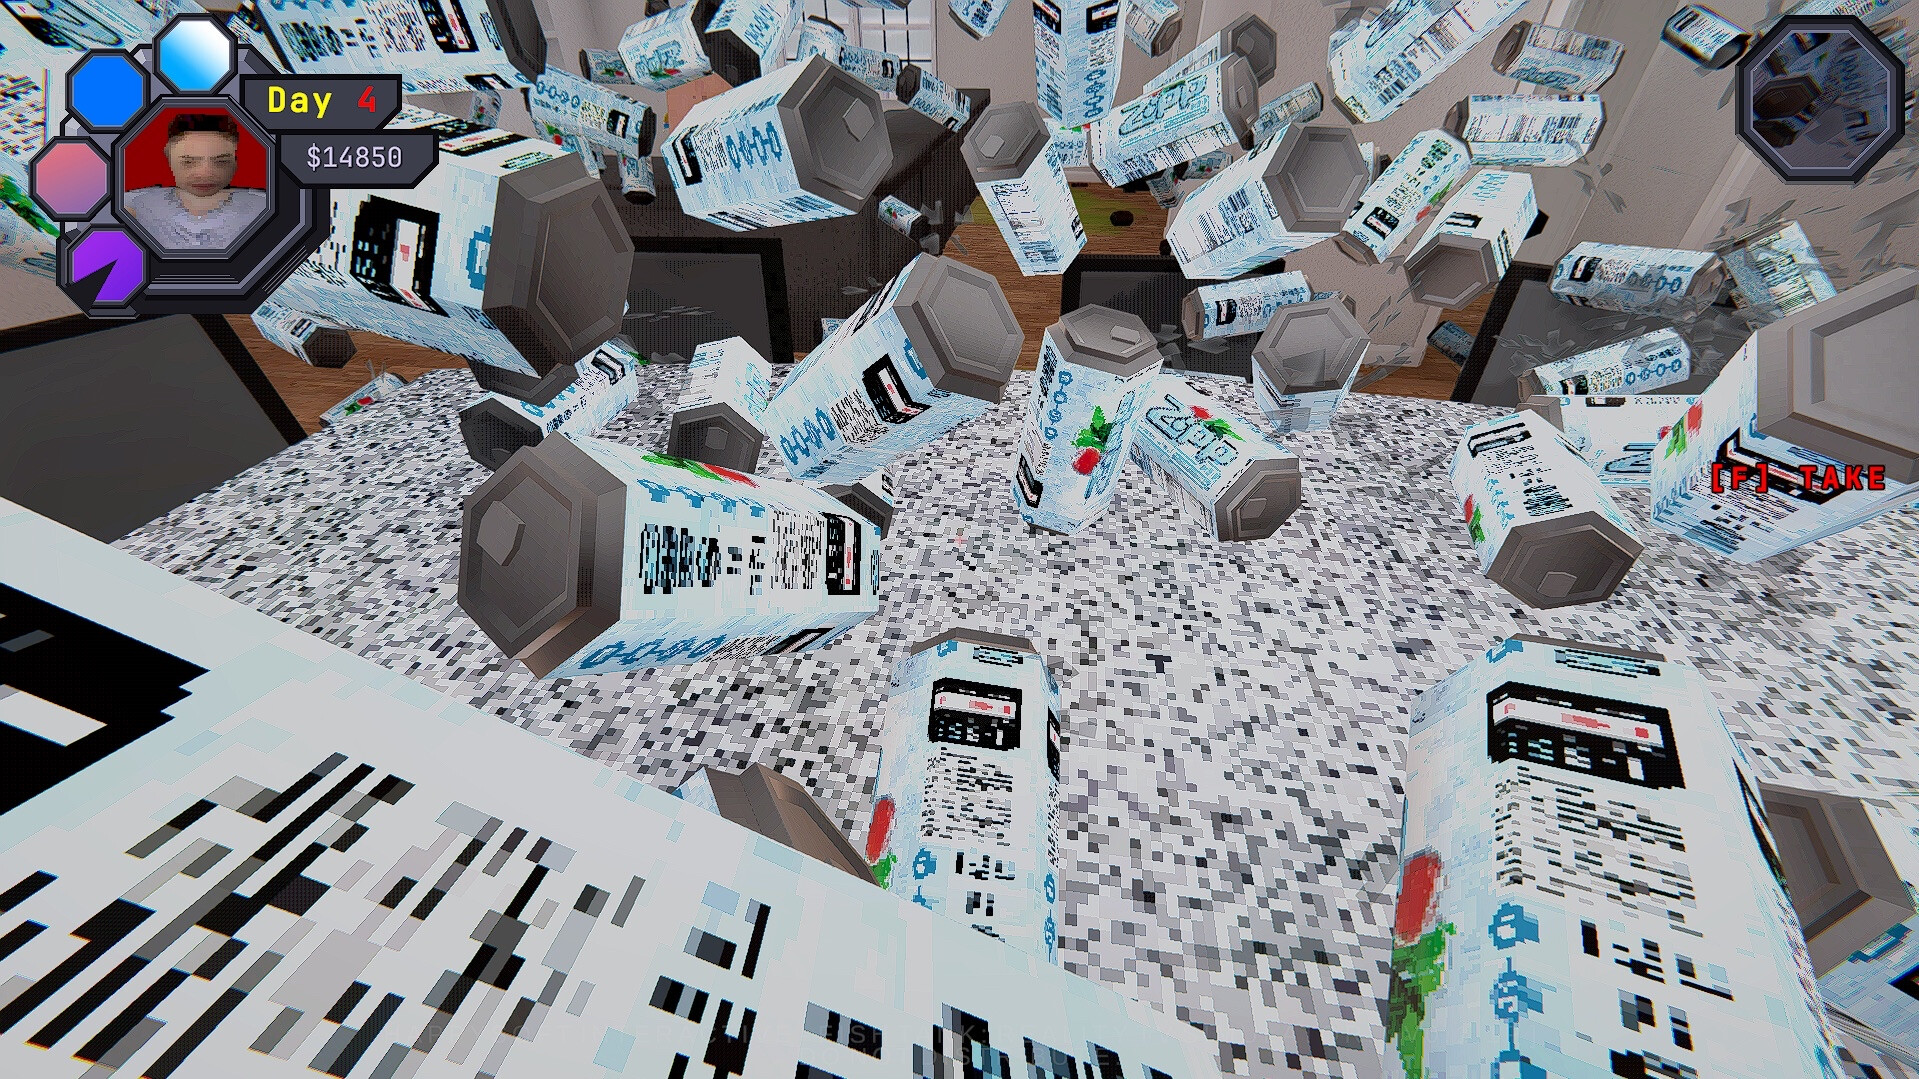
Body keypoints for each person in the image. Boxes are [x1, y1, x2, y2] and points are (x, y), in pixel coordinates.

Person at [122, 113, 267, 251]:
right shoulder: (137, 203)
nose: (204, 174)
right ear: (169, 159)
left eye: (221, 161)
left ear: (235, 162)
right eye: (189, 162)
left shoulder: (265, 205)